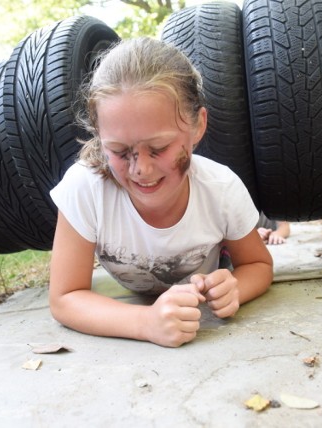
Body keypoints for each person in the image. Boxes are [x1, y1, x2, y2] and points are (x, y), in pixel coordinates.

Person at [48, 37, 273, 348]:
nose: (141, 169)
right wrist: (145, 322)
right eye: (118, 150)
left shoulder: (221, 189)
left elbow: (258, 265)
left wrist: (235, 287)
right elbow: (65, 297)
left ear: (198, 126)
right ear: (100, 137)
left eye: (159, 148)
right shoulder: (85, 189)